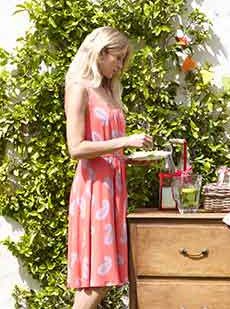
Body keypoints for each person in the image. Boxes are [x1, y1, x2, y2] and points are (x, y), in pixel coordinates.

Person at [64, 26, 152, 309]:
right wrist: (125, 141)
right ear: (100, 53)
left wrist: (131, 156)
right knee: (95, 281)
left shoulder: (108, 90)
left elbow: (109, 148)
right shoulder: (80, 88)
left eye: (124, 59)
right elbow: (76, 148)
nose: (121, 65)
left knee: (103, 279)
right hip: (93, 192)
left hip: (113, 188)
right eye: (117, 57)